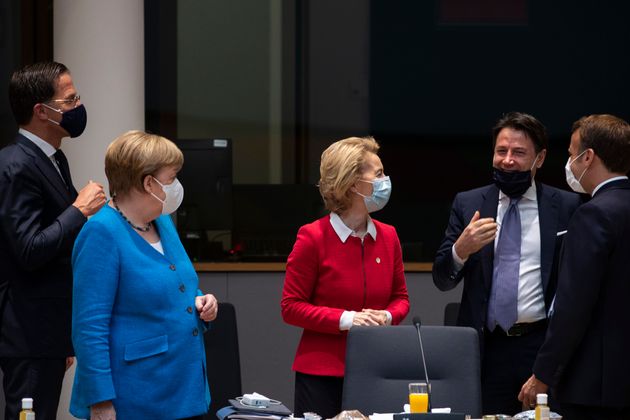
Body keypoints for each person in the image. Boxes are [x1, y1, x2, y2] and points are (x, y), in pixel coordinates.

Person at [432, 112, 581, 415]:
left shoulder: (566, 206)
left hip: (540, 346)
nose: (507, 160)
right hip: (487, 349)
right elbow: (441, 279)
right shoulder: (468, 203)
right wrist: (462, 249)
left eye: (518, 153)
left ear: (539, 158)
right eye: (501, 151)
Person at [69, 130, 217, 419]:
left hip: (184, 387)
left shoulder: (162, 222)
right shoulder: (101, 232)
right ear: (148, 182)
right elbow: (89, 327)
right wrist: (100, 401)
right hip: (136, 395)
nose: (177, 186)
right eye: (172, 177)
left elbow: (177, 287)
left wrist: (201, 302)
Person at [0, 61, 106, 420]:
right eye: (70, 99)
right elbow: (29, 249)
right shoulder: (16, 164)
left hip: (48, 330)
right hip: (28, 330)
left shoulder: (52, 158)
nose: (78, 106)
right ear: (42, 112)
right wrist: (79, 209)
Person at [281, 136, 410, 419]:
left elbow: (400, 298)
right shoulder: (312, 237)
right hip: (321, 373)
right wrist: (347, 320)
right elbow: (291, 307)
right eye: (378, 174)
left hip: (377, 369)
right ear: (352, 183)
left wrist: (387, 317)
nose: (385, 180)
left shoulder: (388, 236)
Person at [519, 114, 630, 419]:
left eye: (571, 155)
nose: (569, 163)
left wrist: (543, 372)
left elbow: (573, 304)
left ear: (588, 156)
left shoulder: (592, 215)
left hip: (595, 384)